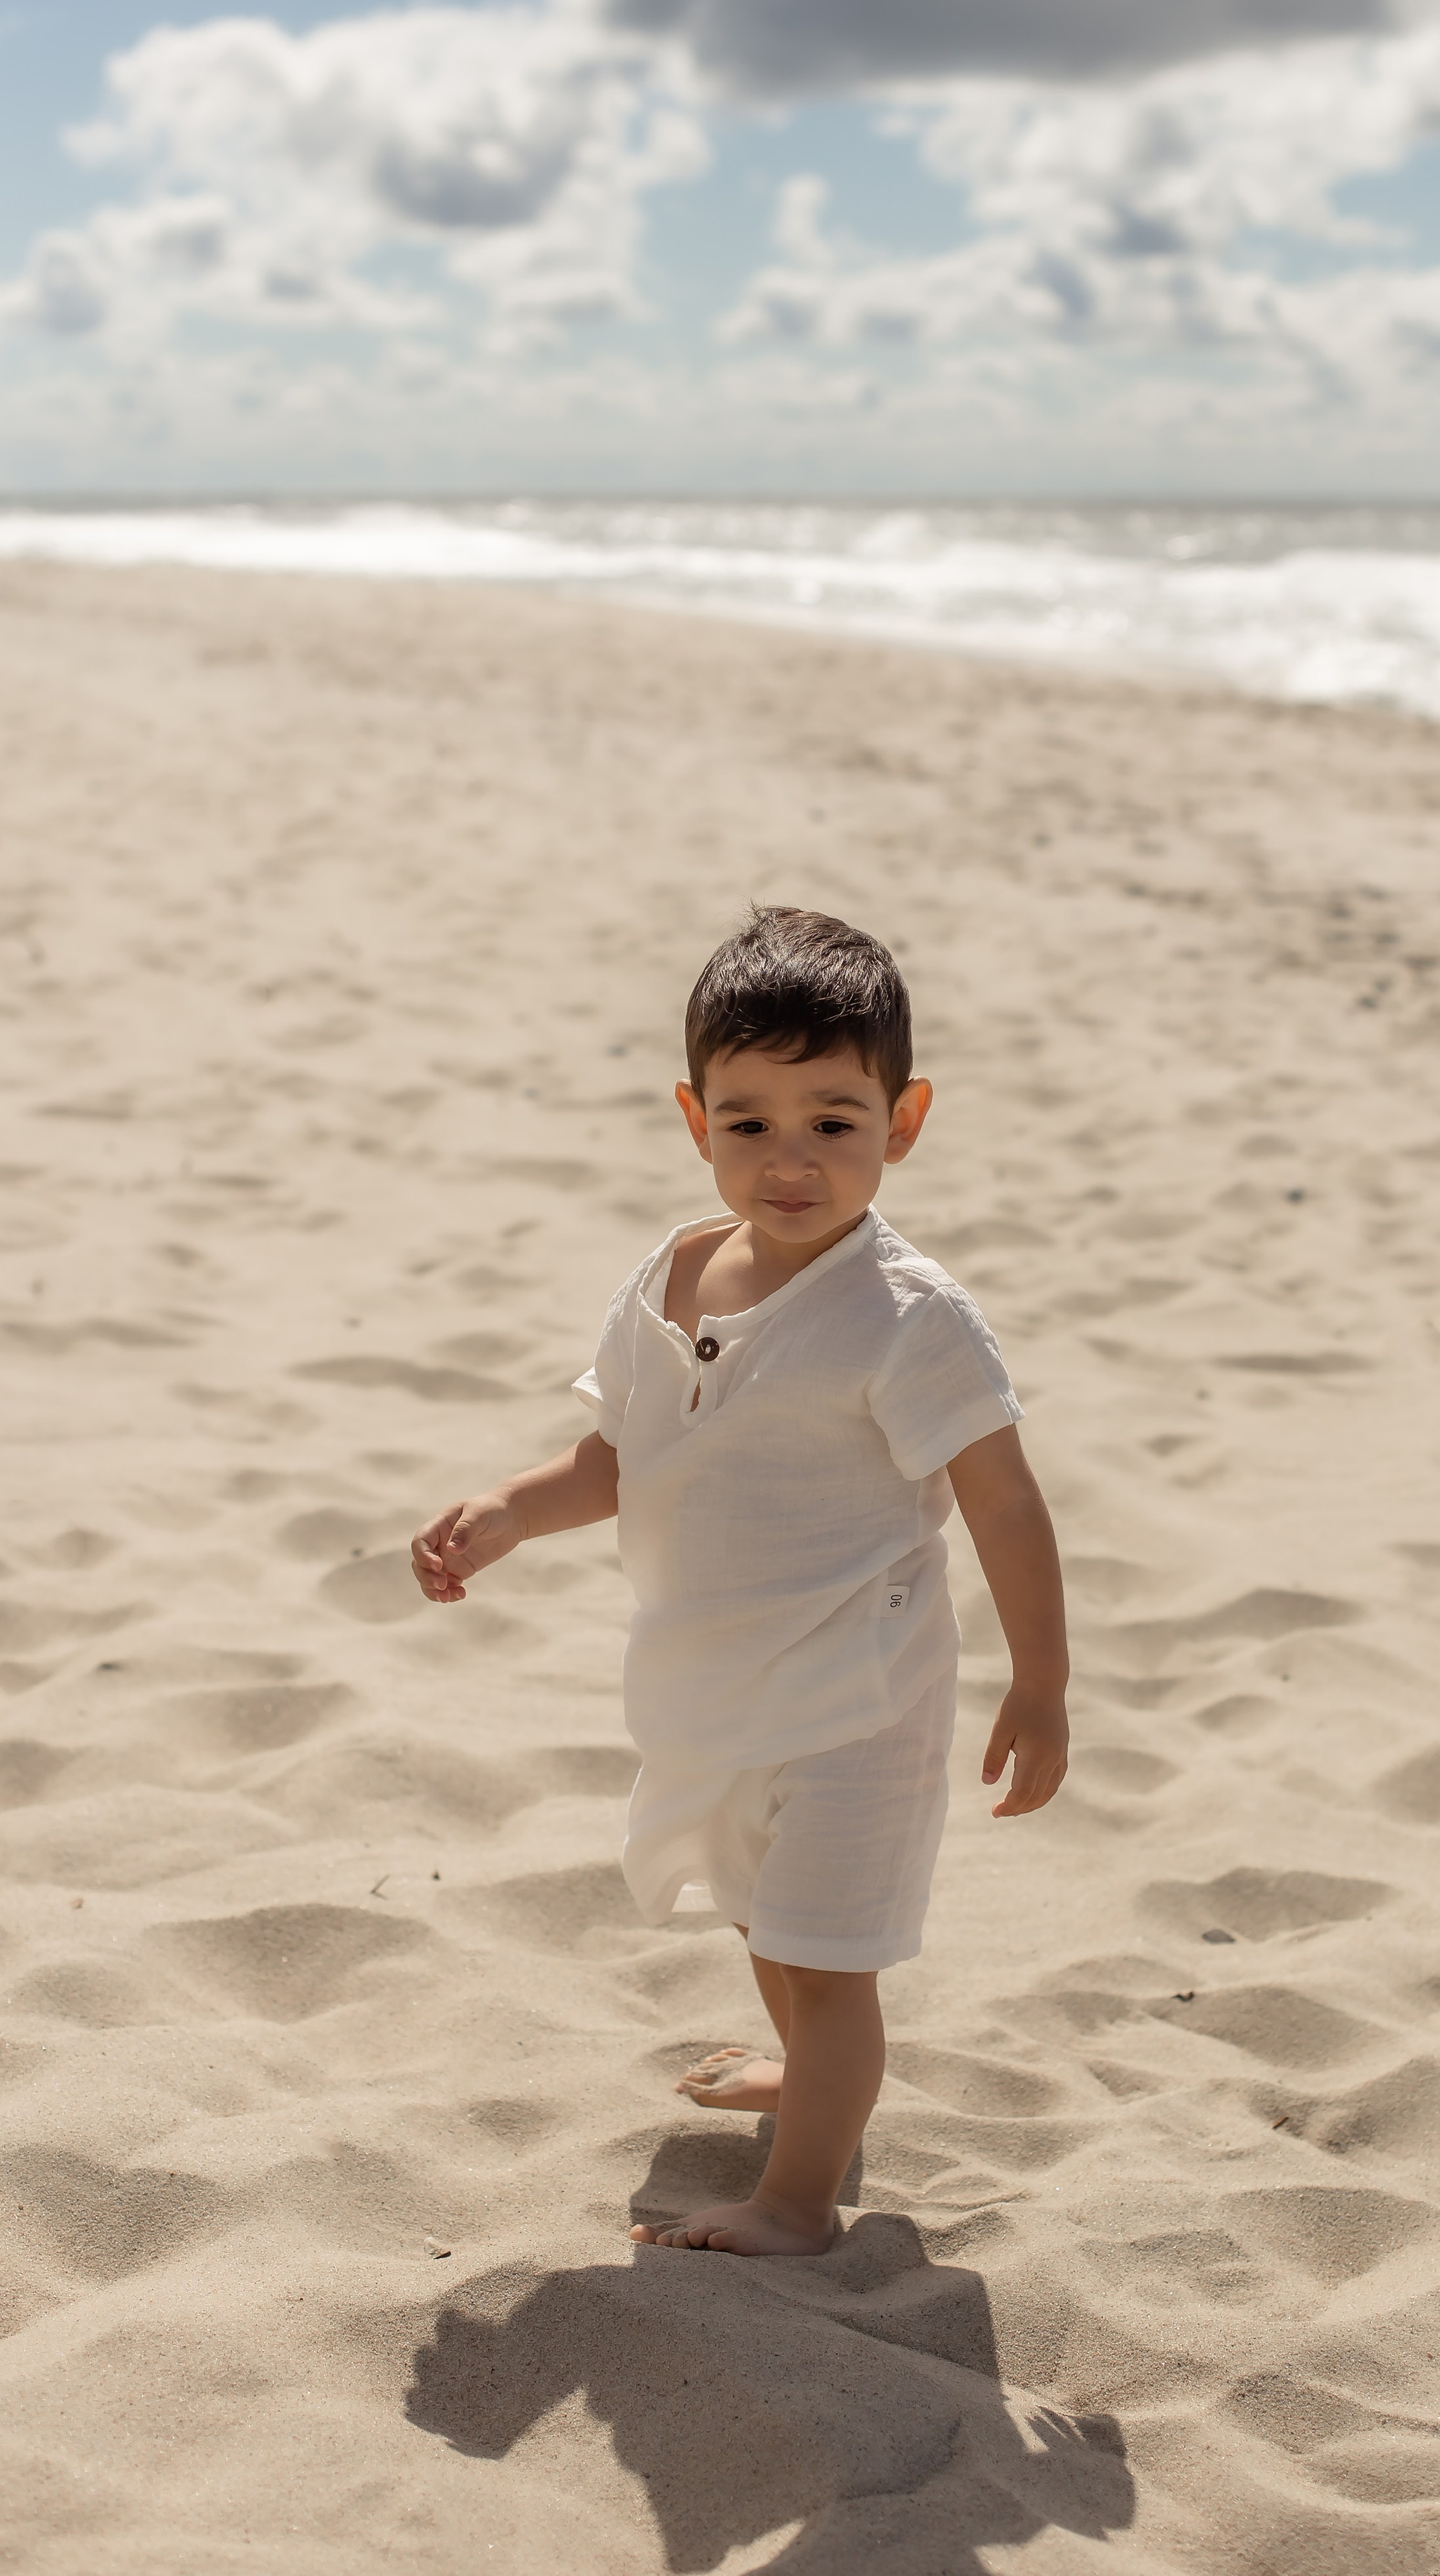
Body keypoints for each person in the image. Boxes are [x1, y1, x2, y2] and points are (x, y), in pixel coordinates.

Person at [411, 906, 1069, 2256]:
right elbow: (618, 1458)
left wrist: (1043, 1684)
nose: (789, 1160)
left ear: (905, 1119)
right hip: (721, 1674)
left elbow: (1004, 1502)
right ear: (692, 1116)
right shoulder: (669, 1276)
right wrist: (506, 1514)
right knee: (769, 1922)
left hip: (856, 1693)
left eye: (834, 1121)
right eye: (749, 1121)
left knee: (828, 1959)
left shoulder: (909, 1317)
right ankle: (806, 2078)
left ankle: (798, 2204)